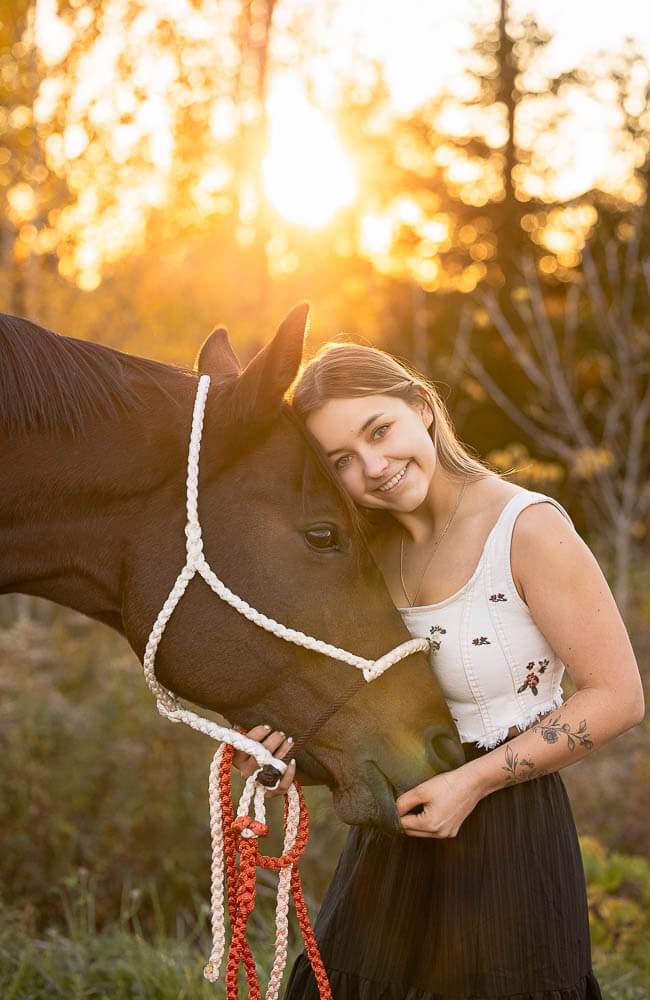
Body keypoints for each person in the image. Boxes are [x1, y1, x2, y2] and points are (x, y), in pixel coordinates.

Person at [234, 341, 644, 1000]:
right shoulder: (363, 554)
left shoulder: (526, 529)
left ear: (421, 406)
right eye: (342, 460)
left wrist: (472, 783)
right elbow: (361, 710)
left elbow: (619, 698)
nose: (373, 467)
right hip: (392, 843)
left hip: (512, 841)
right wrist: (294, 758)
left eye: (379, 430)